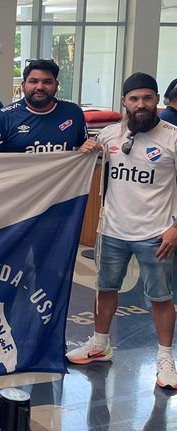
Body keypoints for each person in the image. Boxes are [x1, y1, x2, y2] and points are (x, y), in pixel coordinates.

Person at [66, 72, 177, 390]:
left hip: (156, 234)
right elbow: (84, 159)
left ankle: (165, 358)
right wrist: (86, 147)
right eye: (134, 98)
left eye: (147, 98)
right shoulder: (110, 134)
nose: (141, 104)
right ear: (124, 101)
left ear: (157, 100)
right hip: (112, 230)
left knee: (160, 297)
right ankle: (100, 344)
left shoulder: (172, 137)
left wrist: (175, 227)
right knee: (105, 289)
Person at [0, 59, 87, 153]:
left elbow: (83, 152)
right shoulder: (3, 117)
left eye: (47, 82)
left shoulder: (73, 112)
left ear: (56, 86)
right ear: (23, 86)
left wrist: (86, 149)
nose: (40, 87)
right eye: (33, 81)